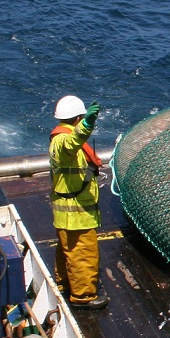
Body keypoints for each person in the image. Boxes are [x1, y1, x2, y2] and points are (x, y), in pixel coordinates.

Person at [50, 95, 108, 309]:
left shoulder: (58, 138)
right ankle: (84, 296)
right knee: (83, 254)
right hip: (76, 214)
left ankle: (64, 282)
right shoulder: (63, 141)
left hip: (66, 212)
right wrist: (88, 124)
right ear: (77, 119)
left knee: (68, 250)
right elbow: (73, 141)